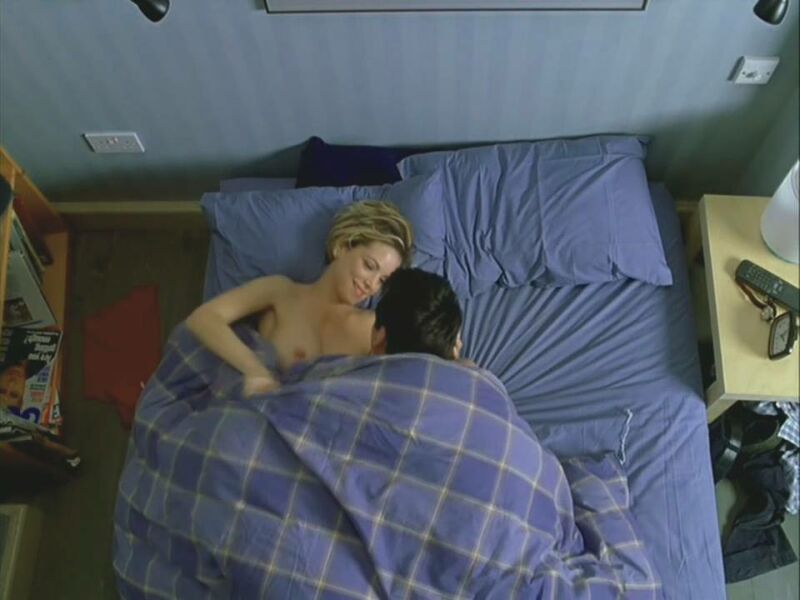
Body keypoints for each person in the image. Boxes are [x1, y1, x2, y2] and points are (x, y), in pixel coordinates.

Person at [186, 201, 413, 395]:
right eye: (369, 266)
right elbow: (204, 318)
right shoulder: (281, 292)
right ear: (342, 247)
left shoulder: (373, 327)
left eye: (383, 280)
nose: (372, 284)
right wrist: (254, 370)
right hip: (262, 415)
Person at [370, 268, 465, 361]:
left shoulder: (363, 370)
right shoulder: (469, 370)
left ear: (380, 339)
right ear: (453, 351)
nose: (461, 344)